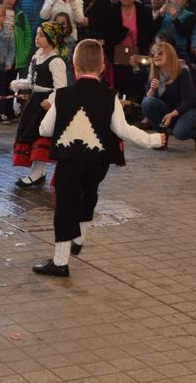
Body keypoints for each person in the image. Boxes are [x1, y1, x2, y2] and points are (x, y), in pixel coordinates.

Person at [31, 39, 166, 277]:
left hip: (69, 160)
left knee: (66, 205)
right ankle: (79, 238)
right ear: (103, 66)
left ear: (74, 65)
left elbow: (44, 129)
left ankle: (60, 262)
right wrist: (152, 139)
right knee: (88, 195)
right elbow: (123, 130)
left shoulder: (62, 96)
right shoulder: (110, 96)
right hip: (98, 161)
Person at [12, 20, 68, 186]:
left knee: (41, 137)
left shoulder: (56, 61)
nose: (37, 37)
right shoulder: (37, 56)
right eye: (37, 34)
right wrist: (19, 84)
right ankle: (39, 172)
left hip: (45, 105)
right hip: (35, 101)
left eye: (42, 35)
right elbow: (31, 81)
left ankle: (37, 174)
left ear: (52, 38)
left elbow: (61, 88)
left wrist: (50, 101)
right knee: (30, 134)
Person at [142, 39, 196, 150]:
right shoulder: (154, 73)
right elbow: (147, 101)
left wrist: (171, 115)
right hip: (168, 110)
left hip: (187, 109)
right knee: (147, 102)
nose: (156, 55)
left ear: (170, 55)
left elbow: (188, 101)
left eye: (160, 53)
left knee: (180, 133)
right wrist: (151, 89)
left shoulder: (182, 72)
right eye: (154, 53)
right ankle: (163, 136)